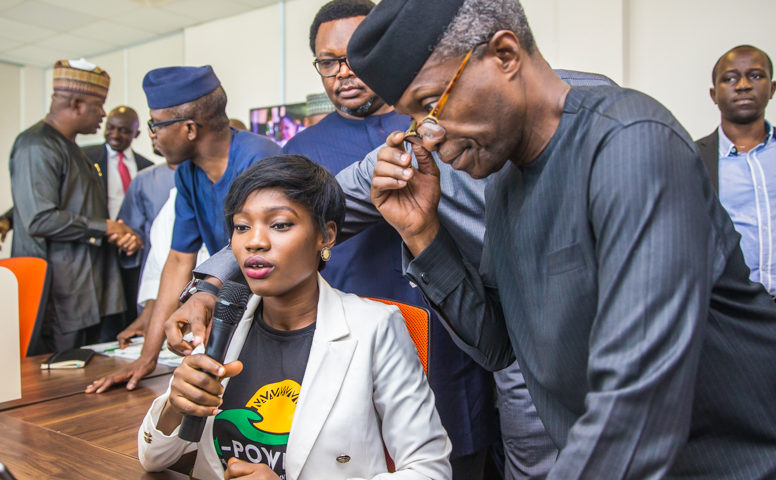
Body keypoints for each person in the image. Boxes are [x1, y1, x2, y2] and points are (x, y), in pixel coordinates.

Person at [346, 0, 776, 478]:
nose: (428, 139)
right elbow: (498, 344)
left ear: (505, 55)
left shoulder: (630, 142)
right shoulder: (508, 182)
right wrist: (422, 232)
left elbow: (636, 399)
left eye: (430, 106)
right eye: (414, 121)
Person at [137, 154, 451, 480]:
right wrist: (176, 405)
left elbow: (429, 470)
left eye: (280, 224)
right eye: (242, 227)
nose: (255, 242)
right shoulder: (225, 318)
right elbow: (153, 458)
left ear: (326, 236)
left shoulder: (374, 327)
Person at [85, 65, 281, 393]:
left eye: (155, 125)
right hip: (235, 305)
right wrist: (147, 358)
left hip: (278, 311)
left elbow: (262, 250)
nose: (152, 135)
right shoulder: (188, 174)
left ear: (189, 128)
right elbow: (178, 261)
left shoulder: (259, 159)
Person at [9, 59, 142, 352]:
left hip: (83, 290)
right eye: (99, 107)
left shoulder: (71, 147)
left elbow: (67, 202)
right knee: (58, 381)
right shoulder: (36, 146)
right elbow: (38, 219)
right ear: (78, 104)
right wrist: (106, 227)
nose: (104, 115)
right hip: (58, 295)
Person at [696, 45, 776, 297]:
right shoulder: (691, 158)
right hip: (731, 312)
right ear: (713, 94)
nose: (743, 85)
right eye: (730, 78)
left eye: (755, 75)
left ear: (772, 88)